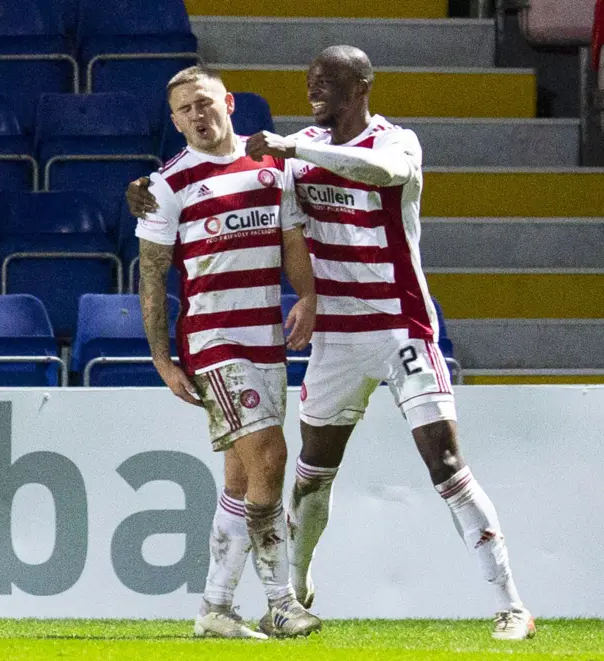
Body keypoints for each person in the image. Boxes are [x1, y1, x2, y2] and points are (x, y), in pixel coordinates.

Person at [127, 47, 535, 641]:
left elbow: (383, 176)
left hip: (400, 326)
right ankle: (291, 589)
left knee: (444, 462)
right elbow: (230, 172)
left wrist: (290, 149)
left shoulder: (395, 142)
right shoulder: (293, 155)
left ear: (362, 85)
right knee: (308, 475)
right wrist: (145, 186)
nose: (315, 88)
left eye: (328, 80)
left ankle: (511, 605)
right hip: (335, 339)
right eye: (311, 80)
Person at [132, 64, 321, 639]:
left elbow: (291, 242)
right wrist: (163, 359)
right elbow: (152, 276)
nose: (197, 115)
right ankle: (281, 601)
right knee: (271, 458)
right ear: (175, 121)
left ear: (229, 103)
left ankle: (214, 608)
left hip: (265, 338)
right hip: (213, 343)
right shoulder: (167, 185)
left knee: (242, 477)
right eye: (185, 109)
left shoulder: (271, 169)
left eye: (205, 103)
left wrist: (308, 296)